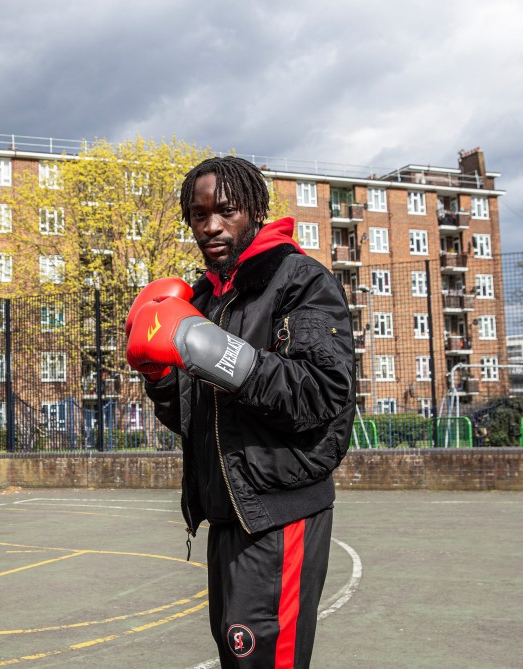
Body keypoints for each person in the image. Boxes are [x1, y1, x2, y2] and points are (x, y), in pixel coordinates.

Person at [126, 156, 356, 668]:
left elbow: (321, 393)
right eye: (197, 214)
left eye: (225, 210)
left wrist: (224, 355)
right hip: (226, 513)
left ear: (253, 209)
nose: (210, 226)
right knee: (237, 658)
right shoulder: (206, 297)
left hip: (279, 511)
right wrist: (160, 378)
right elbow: (195, 419)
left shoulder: (301, 281)